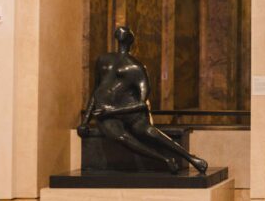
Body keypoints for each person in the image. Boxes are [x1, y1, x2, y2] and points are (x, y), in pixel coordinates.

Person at [78, 25, 207, 174]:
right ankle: (164, 159)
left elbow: (142, 104)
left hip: (124, 111)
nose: (121, 30)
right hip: (105, 113)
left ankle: (191, 158)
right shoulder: (103, 60)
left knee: (149, 131)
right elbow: (96, 91)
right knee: (121, 137)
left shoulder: (137, 67)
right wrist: (85, 121)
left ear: (130, 39)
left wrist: (112, 110)